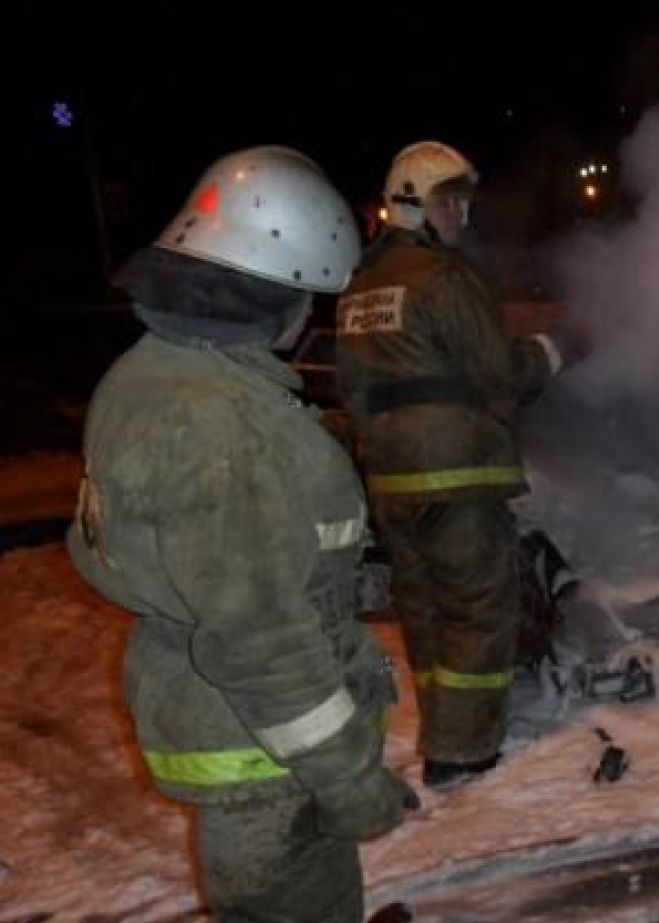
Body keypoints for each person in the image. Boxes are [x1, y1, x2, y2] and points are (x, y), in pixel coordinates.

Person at [67, 146, 418, 923]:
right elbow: (262, 641)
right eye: (308, 299)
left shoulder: (151, 375)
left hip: (232, 731)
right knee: (293, 902)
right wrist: (353, 781)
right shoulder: (228, 429)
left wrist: (361, 583)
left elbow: (220, 561)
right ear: (280, 296)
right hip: (266, 759)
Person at [336, 141, 577, 789]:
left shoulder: (360, 289)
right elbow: (500, 370)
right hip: (457, 475)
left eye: (464, 203)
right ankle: (464, 752)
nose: (460, 216)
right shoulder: (444, 279)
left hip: (392, 480)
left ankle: (446, 728)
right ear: (410, 204)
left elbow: (352, 392)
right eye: (448, 202)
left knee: (425, 612)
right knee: (478, 608)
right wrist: (553, 352)